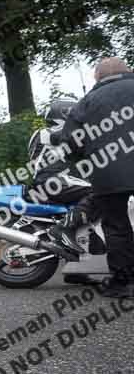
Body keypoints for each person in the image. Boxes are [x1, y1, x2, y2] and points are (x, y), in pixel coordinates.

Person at [61, 57, 134, 298]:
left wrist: (87, 159)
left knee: (117, 226)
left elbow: (70, 143)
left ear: (98, 77)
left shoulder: (87, 102)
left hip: (109, 173)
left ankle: (123, 283)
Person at [31, 100, 100, 257]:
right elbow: (77, 136)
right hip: (50, 180)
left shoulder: (62, 139)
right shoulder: (45, 133)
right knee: (99, 191)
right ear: (64, 113)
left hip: (57, 180)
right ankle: (63, 228)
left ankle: (87, 245)